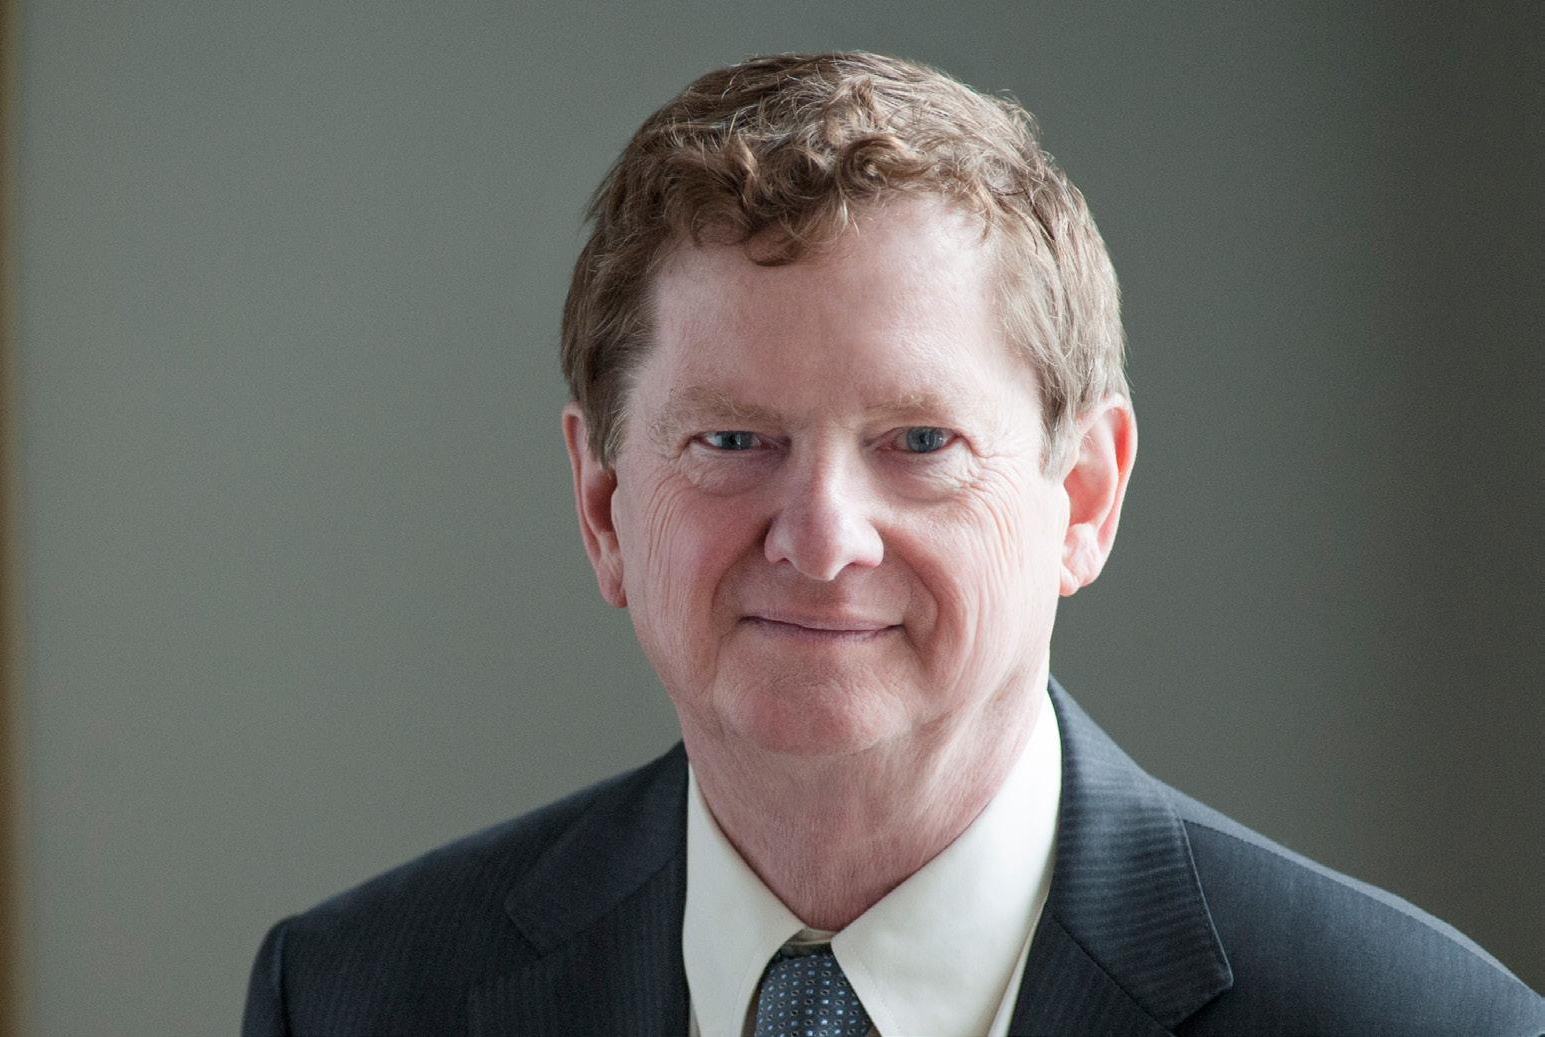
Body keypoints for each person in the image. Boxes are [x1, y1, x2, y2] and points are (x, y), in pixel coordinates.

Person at [242, 51, 1544, 1035]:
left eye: (920, 441)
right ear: (601, 505)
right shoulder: (358, 998)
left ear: (1084, 498)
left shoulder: (1420, 1023)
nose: (821, 540)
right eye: (732, 439)